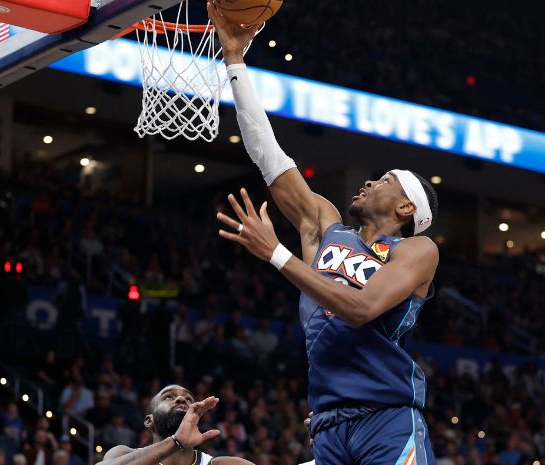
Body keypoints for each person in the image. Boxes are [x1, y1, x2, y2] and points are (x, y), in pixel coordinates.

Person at [208, 4, 440, 465]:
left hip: (386, 418)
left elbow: (359, 308)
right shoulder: (326, 227)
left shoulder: (416, 251)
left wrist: (276, 253)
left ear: (406, 207)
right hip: (329, 424)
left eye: (386, 180)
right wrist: (234, 62)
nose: (372, 181)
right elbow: (268, 154)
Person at [96, 386, 228, 465]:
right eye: (168, 397)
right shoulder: (123, 453)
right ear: (149, 420)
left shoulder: (221, 464)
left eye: (189, 399)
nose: (182, 399)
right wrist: (176, 441)